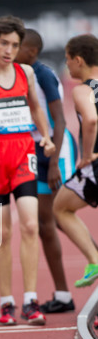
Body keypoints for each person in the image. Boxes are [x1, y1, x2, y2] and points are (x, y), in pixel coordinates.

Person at [0, 15, 55, 326]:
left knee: (31, 225)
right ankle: (6, 302)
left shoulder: (26, 72)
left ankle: (30, 301)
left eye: (15, 45)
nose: (9, 50)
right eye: (4, 43)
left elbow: (35, 106)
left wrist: (44, 136)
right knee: (2, 232)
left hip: (23, 157)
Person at [16, 28, 77, 314]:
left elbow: (61, 121)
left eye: (17, 47)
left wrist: (54, 162)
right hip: (36, 153)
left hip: (56, 152)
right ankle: (63, 295)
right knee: (45, 225)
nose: (11, 52)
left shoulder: (43, 75)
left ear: (31, 51)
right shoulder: (21, 75)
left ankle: (92, 262)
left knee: (60, 219)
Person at [53, 34, 98, 288]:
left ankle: (94, 259)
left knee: (60, 208)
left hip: (96, 164)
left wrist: (88, 154)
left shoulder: (83, 89)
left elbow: (91, 120)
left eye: (68, 60)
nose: (67, 65)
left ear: (79, 60)